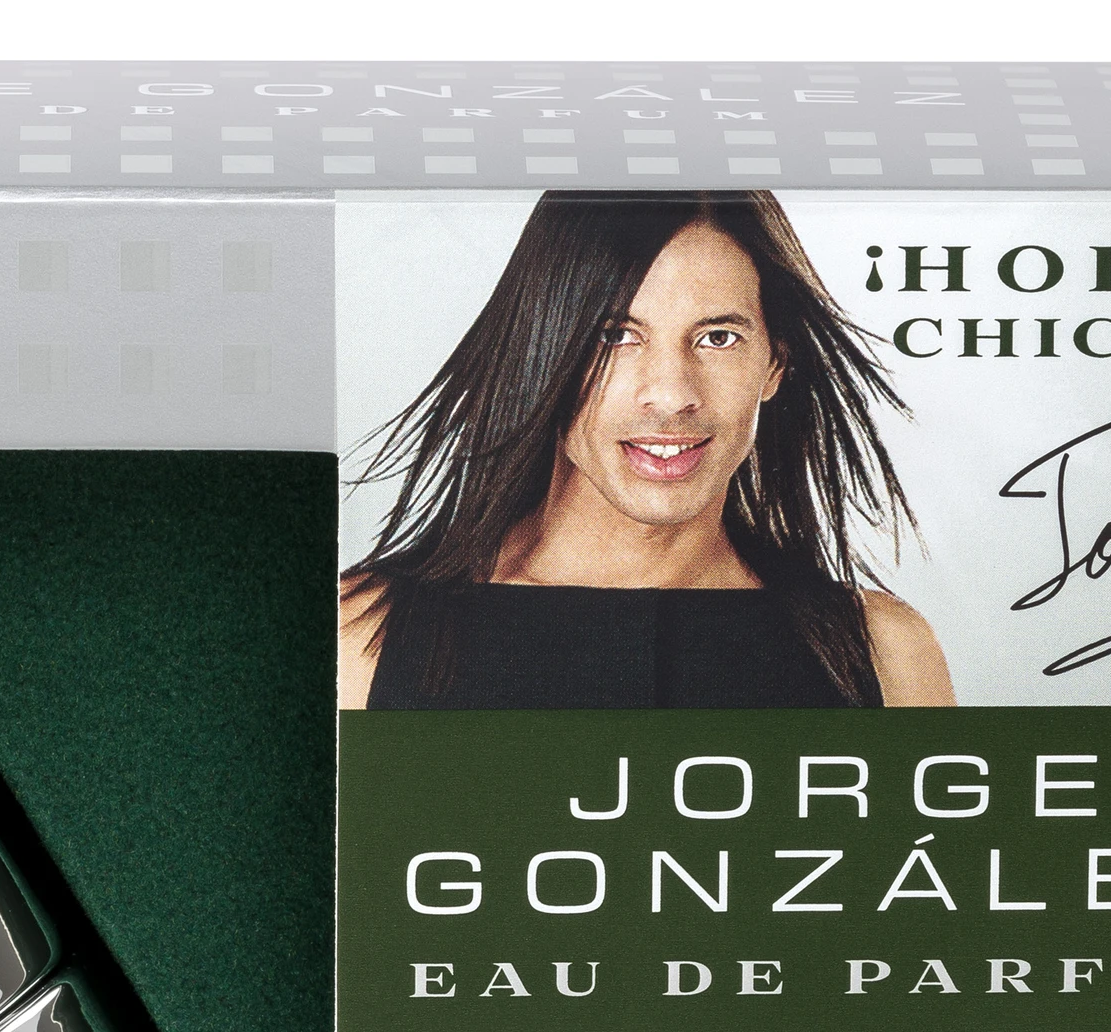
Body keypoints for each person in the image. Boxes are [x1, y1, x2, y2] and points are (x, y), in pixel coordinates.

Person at [340, 192, 953, 711]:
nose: (671, 395)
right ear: (542, 353)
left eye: (718, 337)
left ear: (774, 364)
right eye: (616, 336)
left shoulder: (886, 656)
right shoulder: (361, 637)